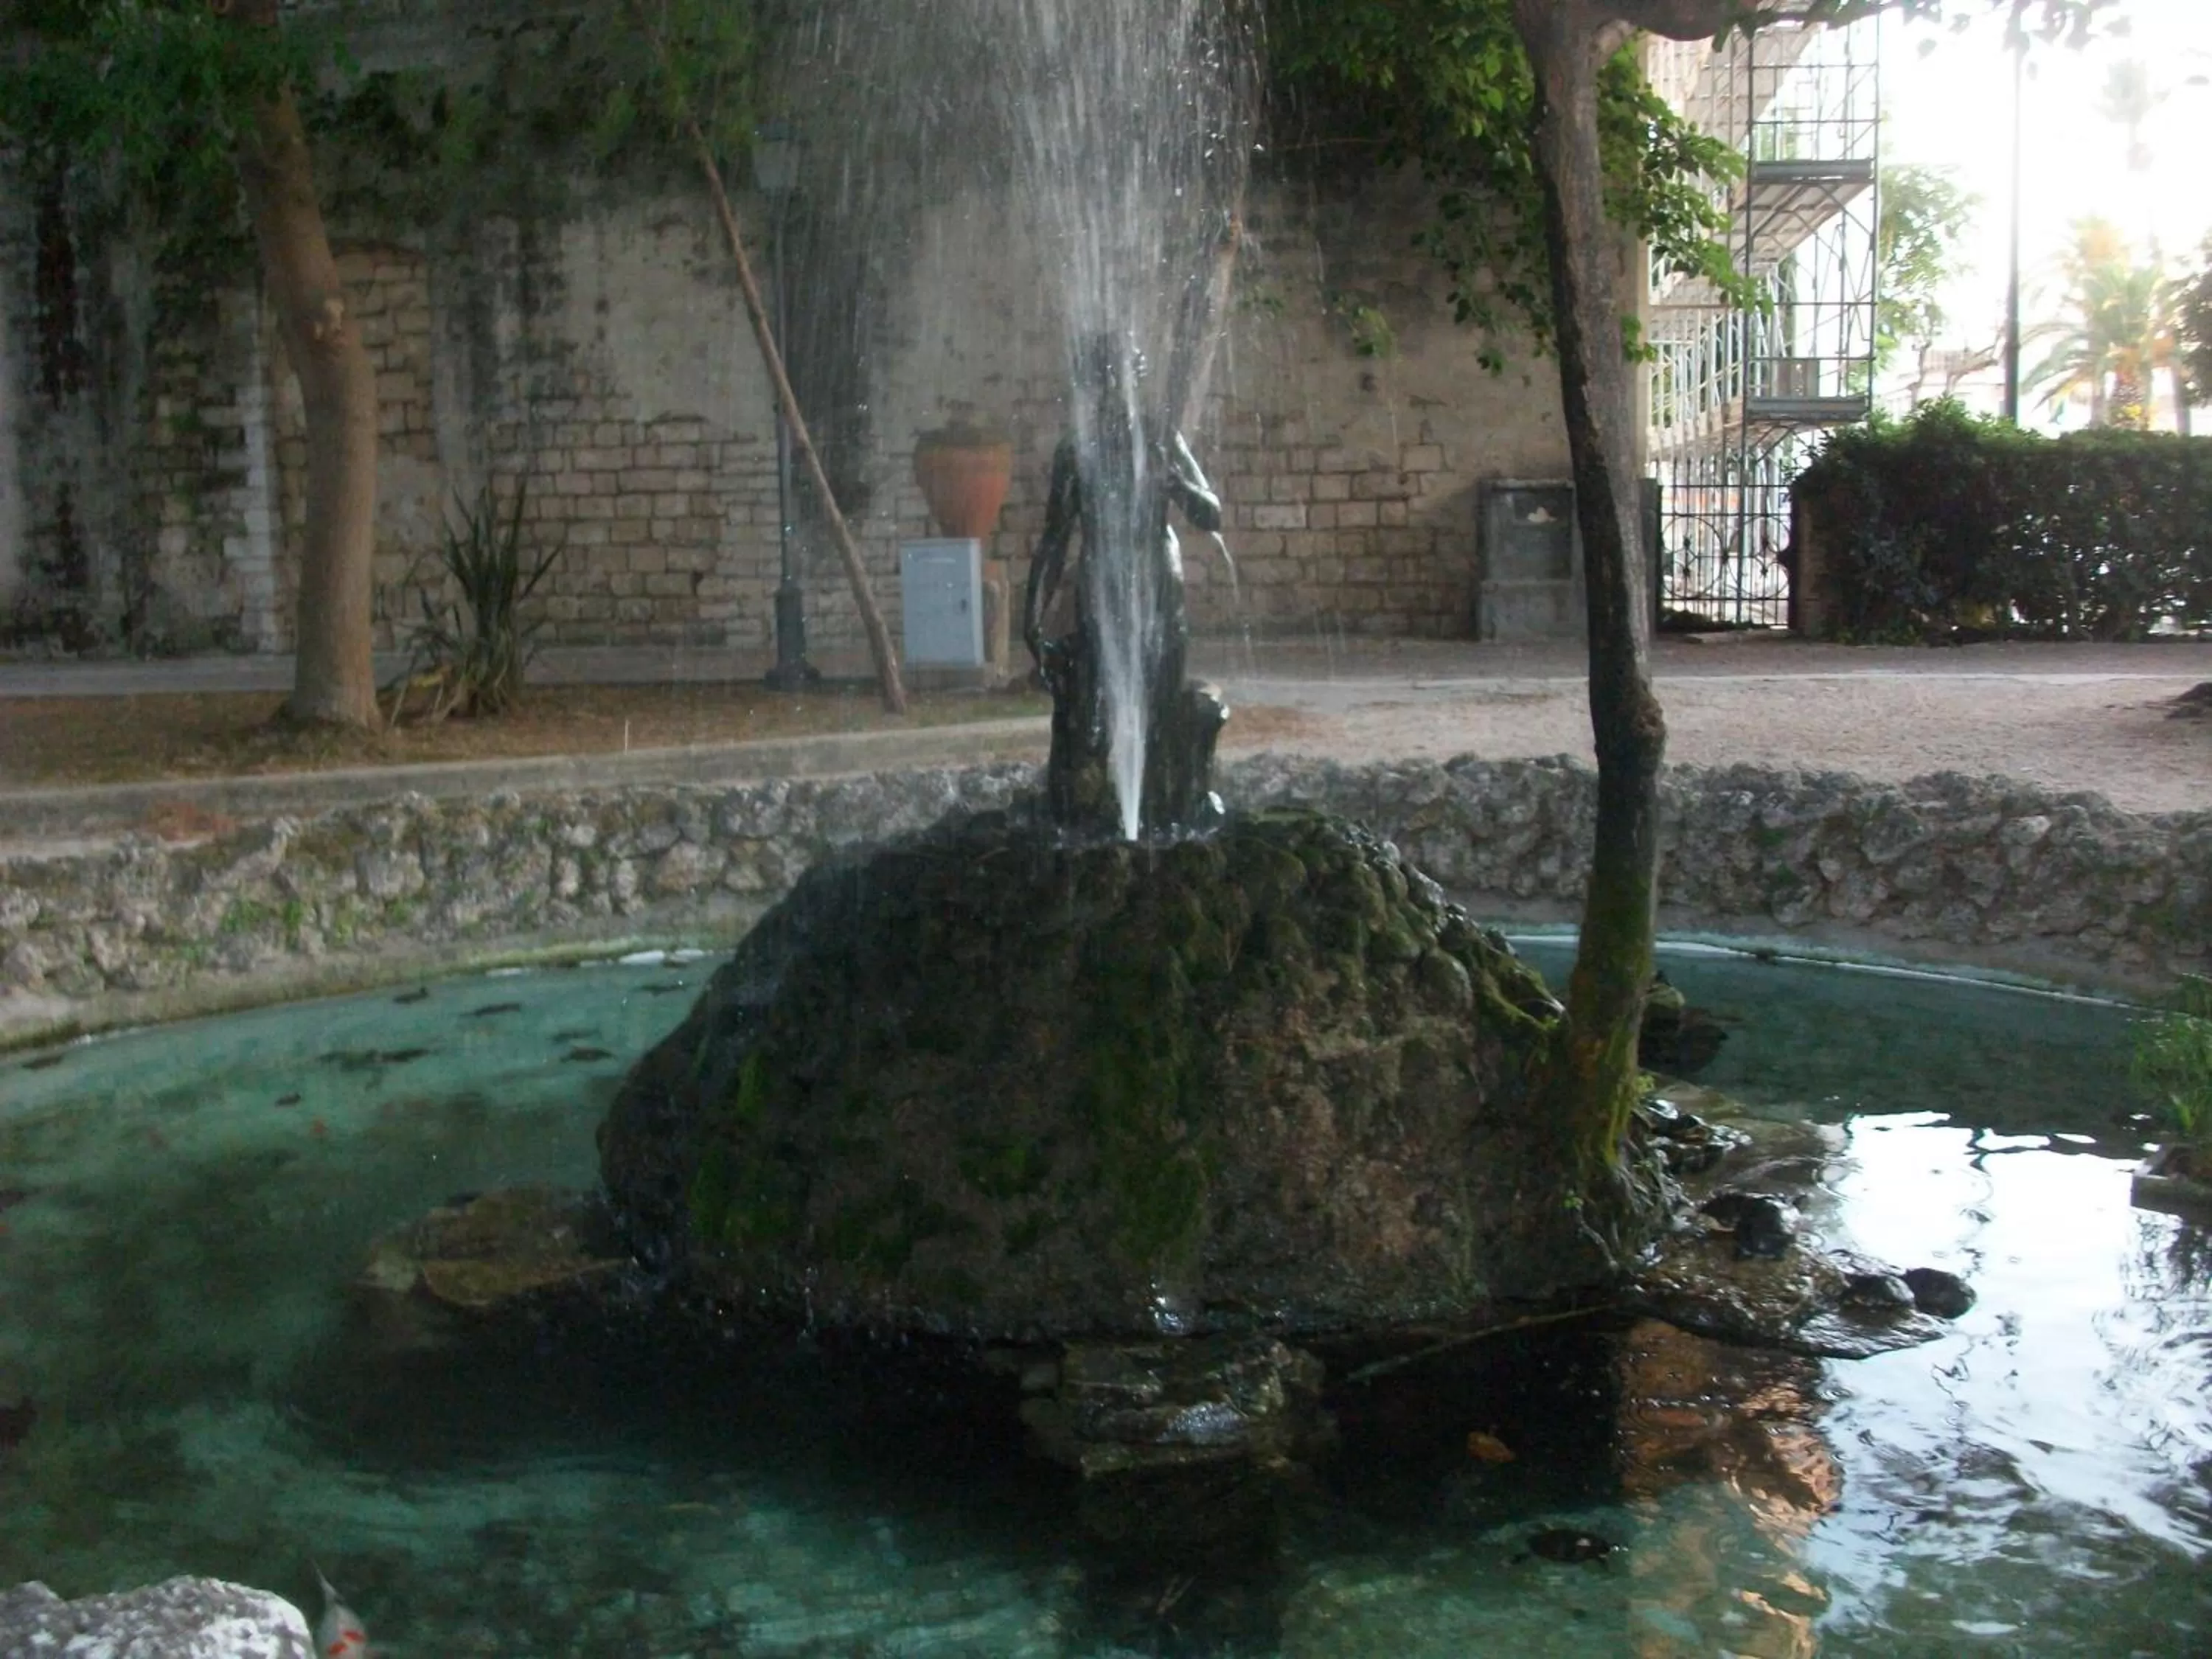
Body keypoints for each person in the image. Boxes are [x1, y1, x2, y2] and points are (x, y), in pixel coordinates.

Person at [1023, 333, 1228, 834]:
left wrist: (1177, 485)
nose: (1114, 390)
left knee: (1161, 709)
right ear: (1092, 386)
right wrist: (1030, 618)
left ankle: (1168, 816)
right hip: (1100, 589)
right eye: (1104, 379)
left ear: (1136, 381)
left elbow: (1212, 514)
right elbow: (1054, 542)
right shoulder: (1075, 452)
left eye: (1123, 378)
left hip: (1160, 586)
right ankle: (1083, 814)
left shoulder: (1161, 438)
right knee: (1087, 718)